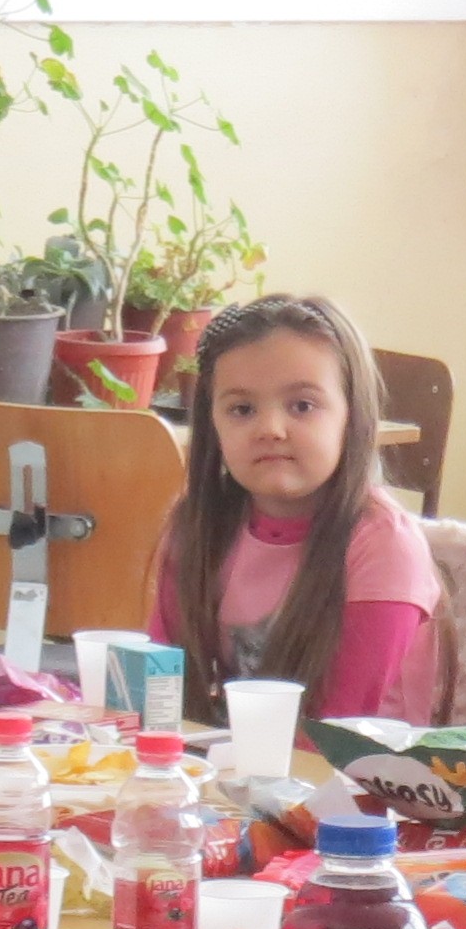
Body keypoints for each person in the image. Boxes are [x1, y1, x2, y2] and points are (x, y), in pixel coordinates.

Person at [148, 294, 441, 724]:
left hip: (352, 764)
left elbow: (333, 734)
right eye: (242, 409)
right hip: (235, 758)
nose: (270, 429)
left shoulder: (385, 546)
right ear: (213, 423)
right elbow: (160, 696)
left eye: (302, 406)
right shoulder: (196, 526)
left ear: (352, 415)